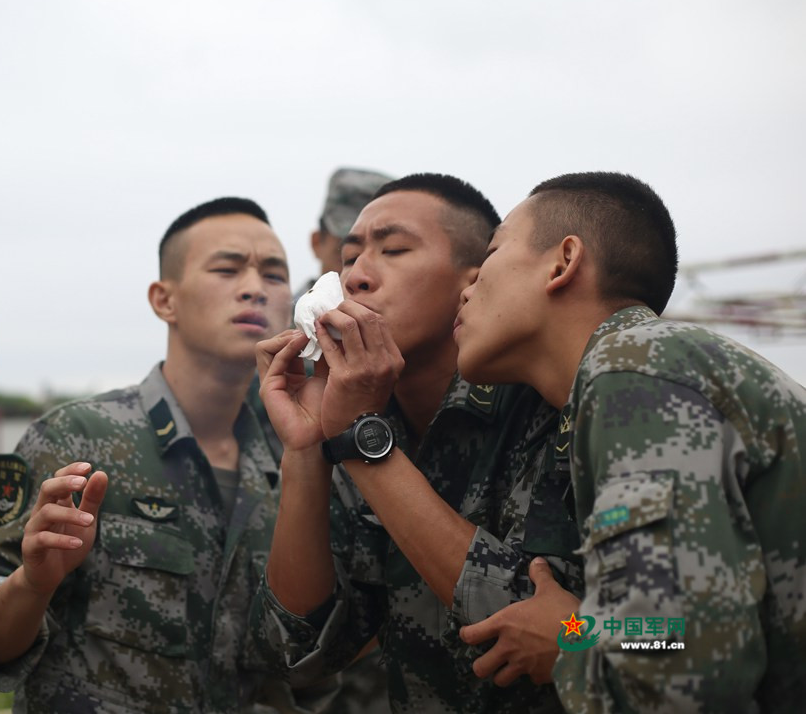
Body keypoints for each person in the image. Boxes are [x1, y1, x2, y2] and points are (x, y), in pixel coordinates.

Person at [453, 171, 806, 711]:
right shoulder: (632, 370)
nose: (468, 283)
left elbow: (681, 662)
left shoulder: (635, 373)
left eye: (493, 251)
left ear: (563, 262)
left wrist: (571, 636)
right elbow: (677, 632)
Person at [248, 174, 583, 712]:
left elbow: (639, 634)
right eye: (349, 256)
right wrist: (308, 448)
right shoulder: (361, 416)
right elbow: (292, 649)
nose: (355, 276)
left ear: (476, 282)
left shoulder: (556, 405)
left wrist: (577, 637)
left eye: (395, 249)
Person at [0, 198, 302, 713]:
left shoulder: (292, 462)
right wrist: (34, 584)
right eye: (227, 269)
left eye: (274, 274)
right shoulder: (79, 440)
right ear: (165, 300)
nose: (255, 286)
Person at [295, 167, 391, 303]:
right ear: (316, 243)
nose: (360, 275)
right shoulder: (274, 320)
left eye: (390, 251)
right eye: (350, 258)